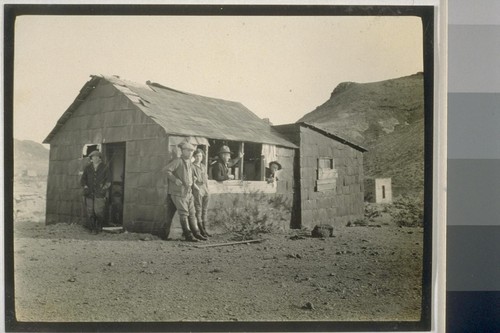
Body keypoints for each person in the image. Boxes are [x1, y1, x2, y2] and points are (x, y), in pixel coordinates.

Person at [163, 142, 207, 242]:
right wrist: (175, 179)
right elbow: (166, 170)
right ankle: (188, 235)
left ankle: (197, 233)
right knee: (184, 214)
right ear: (182, 151)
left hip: (188, 193)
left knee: (192, 213)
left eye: (191, 151)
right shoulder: (178, 161)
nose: (190, 153)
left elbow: (190, 176)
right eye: (188, 150)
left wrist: (193, 184)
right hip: (178, 193)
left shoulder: (190, 164)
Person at [81, 150, 111, 234]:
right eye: (93, 157)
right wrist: (85, 187)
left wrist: (103, 189)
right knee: (90, 212)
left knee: (99, 211)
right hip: (89, 194)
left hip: (100, 194)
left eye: (96, 157)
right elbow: (83, 180)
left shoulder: (105, 167)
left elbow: (108, 181)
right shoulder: (88, 168)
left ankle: (99, 227)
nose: (94, 158)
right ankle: (92, 228)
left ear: (99, 158)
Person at [192, 149, 210, 237]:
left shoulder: (203, 166)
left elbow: (206, 179)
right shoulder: (192, 167)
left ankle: (205, 229)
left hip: (205, 188)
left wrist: (207, 188)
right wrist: (197, 188)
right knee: (198, 209)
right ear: (194, 157)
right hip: (197, 188)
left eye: (200, 156)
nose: (198, 158)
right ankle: (201, 230)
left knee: (205, 210)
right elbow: (191, 181)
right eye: (197, 156)